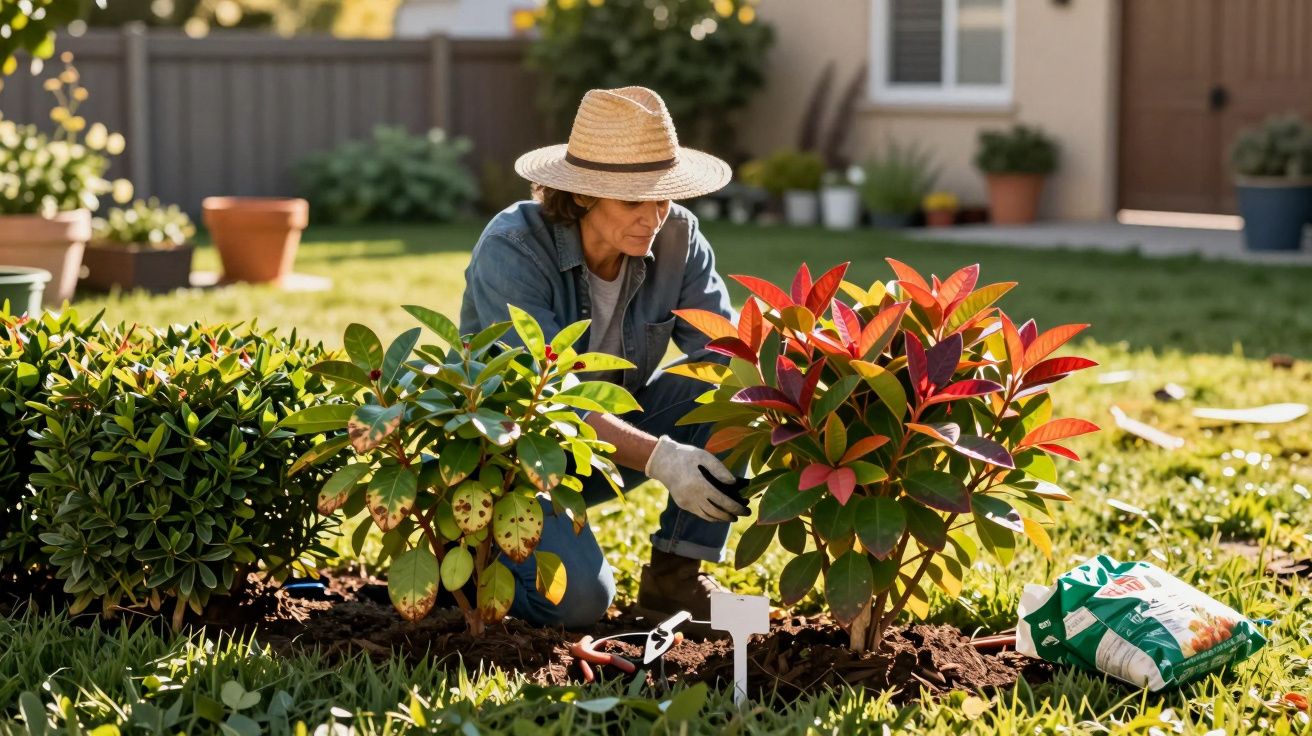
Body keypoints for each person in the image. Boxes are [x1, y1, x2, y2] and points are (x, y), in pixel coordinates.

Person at [459, 86, 748, 629]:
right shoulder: (513, 248)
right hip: (514, 458)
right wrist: (662, 458)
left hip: (599, 447)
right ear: (586, 195)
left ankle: (675, 579)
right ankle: (469, 554)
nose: (655, 217)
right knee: (581, 604)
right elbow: (547, 398)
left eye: (663, 197)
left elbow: (727, 353)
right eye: (633, 201)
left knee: (725, 391)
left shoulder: (678, 240)